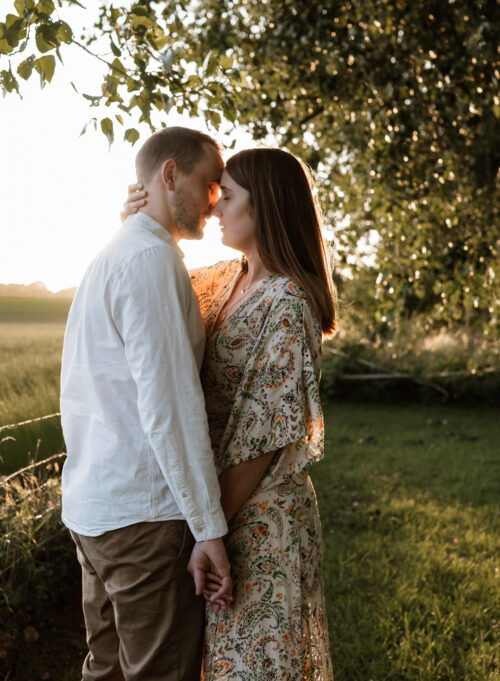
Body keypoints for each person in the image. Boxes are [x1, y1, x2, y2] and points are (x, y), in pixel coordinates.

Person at [124, 147, 336, 680]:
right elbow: (150, 289)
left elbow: (265, 439)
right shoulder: (225, 279)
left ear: (263, 207)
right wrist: (135, 223)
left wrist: (206, 532)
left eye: (228, 195)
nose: (215, 207)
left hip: (260, 518)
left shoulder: (288, 302)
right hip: (221, 510)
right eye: (214, 194)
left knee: (255, 666)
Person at [60, 126, 235, 681]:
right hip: (142, 517)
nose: (215, 200)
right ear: (169, 175)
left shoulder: (121, 250)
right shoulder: (149, 262)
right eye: (210, 183)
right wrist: (209, 529)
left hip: (95, 509)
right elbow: (171, 405)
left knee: (106, 671)